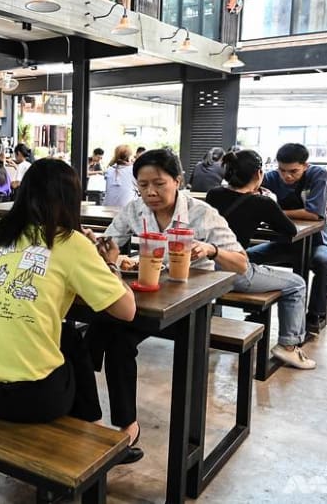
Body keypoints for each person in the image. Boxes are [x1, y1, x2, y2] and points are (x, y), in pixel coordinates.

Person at [0, 158, 136, 448]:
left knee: (63, 337)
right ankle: (95, 431)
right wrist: (108, 264)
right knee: (71, 340)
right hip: (32, 400)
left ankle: (93, 431)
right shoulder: (70, 242)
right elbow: (126, 310)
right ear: (72, 200)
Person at [87, 149, 248, 461]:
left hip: (190, 305)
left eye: (159, 184)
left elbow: (241, 264)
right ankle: (111, 423)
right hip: (147, 298)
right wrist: (99, 245)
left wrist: (212, 250)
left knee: (106, 336)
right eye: (143, 185)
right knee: (98, 334)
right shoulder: (135, 209)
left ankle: (112, 422)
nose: (150, 192)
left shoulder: (202, 214)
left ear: (178, 181)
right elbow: (110, 243)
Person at [206, 150, 316, 367]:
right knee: (297, 283)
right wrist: (268, 203)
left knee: (254, 261)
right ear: (259, 174)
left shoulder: (213, 194)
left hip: (206, 267)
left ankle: (213, 327)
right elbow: (289, 230)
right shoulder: (262, 203)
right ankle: (288, 346)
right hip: (234, 272)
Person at [247, 143, 327, 334]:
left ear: (305, 166)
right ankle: (255, 309)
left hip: (316, 241)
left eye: (293, 171)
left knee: (323, 262)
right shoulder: (271, 177)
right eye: (282, 170)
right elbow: (250, 194)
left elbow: (314, 213)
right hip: (284, 244)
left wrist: (273, 212)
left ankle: (315, 316)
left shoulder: (317, 175)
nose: (287, 176)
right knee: (245, 257)